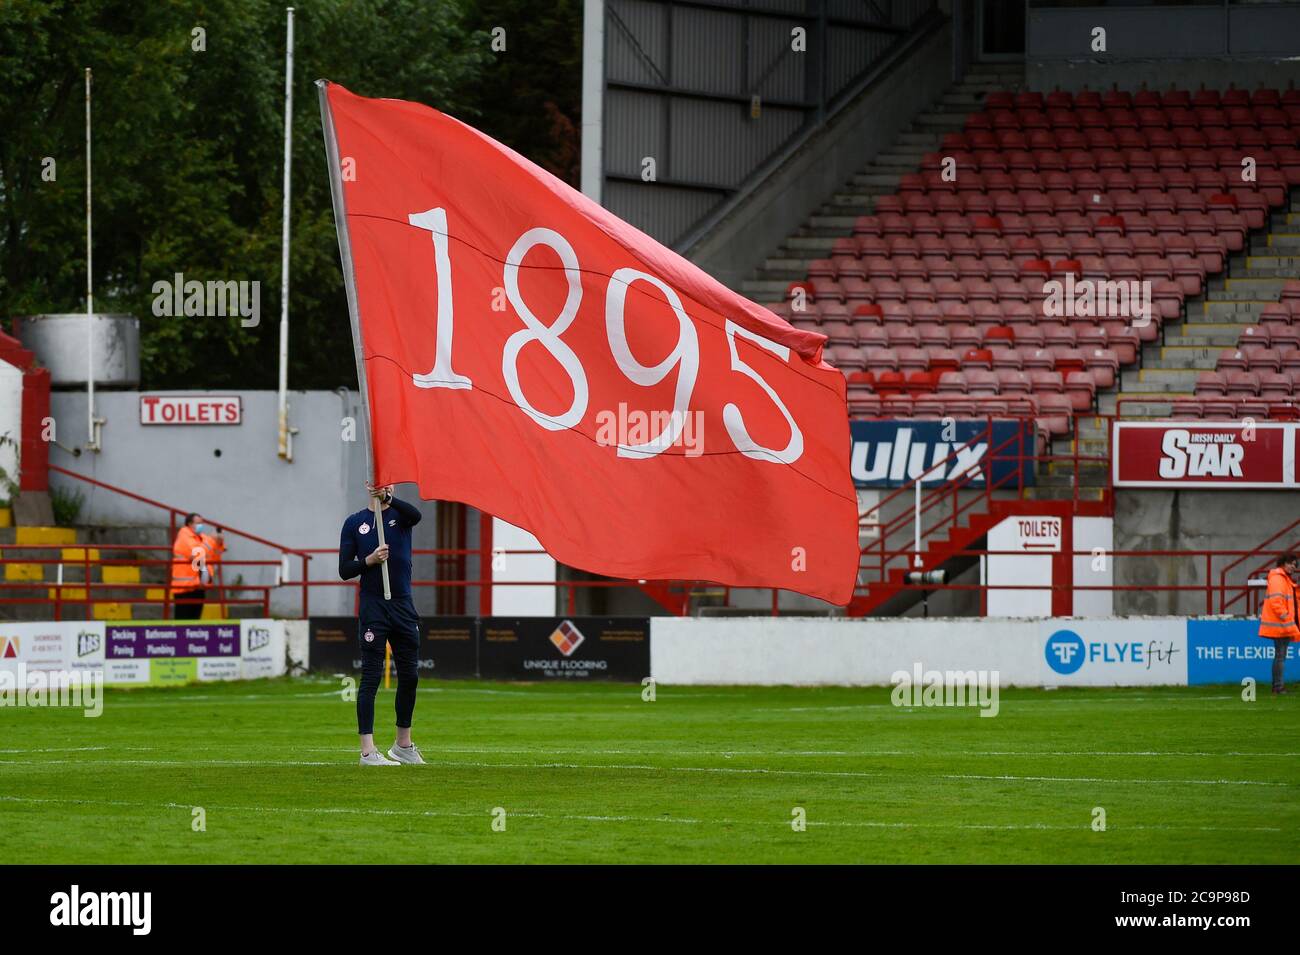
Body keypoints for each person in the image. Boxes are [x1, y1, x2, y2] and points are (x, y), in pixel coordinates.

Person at [338, 483, 425, 766]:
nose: (385, 486)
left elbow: (416, 515)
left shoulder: (401, 516)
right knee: (372, 677)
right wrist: (370, 560)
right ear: (368, 484)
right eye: (380, 482)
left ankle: (403, 745)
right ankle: (367, 751)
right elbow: (345, 569)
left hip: (402, 604)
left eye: (390, 483)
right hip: (374, 605)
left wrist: (389, 498)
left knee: (410, 676)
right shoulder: (355, 522)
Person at [170, 514, 225, 620]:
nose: (201, 526)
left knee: (195, 622)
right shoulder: (184, 536)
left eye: (202, 523)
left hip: (199, 585)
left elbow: (214, 558)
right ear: (190, 524)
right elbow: (196, 555)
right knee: (183, 622)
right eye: (198, 523)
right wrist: (211, 541)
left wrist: (218, 542)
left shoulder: (202, 538)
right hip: (185, 588)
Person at [1258, 552, 1298, 695]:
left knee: (1280, 656)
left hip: (1282, 624)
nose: (1293, 567)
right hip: (1281, 625)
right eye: (1291, 564)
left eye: (1295, 565)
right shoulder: (1278, 579)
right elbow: (1277, 602)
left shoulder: (1282, 579)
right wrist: (1286, 618)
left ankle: (1277, 686)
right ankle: (1278, 687)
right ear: (1283, 563)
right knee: (1280, 656)